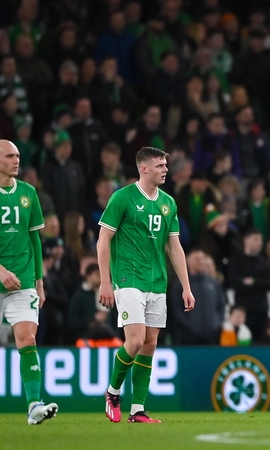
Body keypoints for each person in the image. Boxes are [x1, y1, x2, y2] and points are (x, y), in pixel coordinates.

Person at [98, 147, 196, 424]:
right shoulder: (123, 198)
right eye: (160, 165)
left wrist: (186, 287)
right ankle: (113, 392)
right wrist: (105, 281)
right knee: (136, 340)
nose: (165, 169)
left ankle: (137, 410)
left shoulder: (168, 203)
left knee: (150, 345)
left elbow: (174, 247)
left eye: (165, 165)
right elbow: (103, 240)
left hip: (157, 282)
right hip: (128, 279)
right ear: (143, 168)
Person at [0, 139, 58, 426]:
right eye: (9, 156)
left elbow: (35, 239)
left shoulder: (29, 193)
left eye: (18, 155)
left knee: (27, 339)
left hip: (24, 280)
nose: (16, 160)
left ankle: (33, 406)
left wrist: (39, 280)